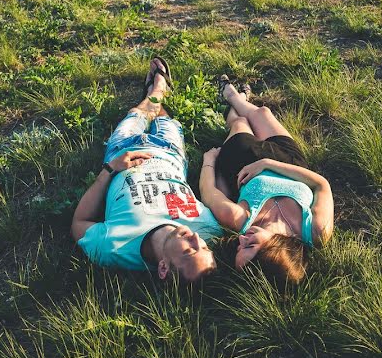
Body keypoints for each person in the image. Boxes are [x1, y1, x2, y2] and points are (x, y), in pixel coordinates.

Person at [71, 57, 222, 282]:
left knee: (138, 113)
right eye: (203, 247)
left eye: (188, 251)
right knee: (164, 119)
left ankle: (156, 88)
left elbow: (78, 223)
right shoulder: (210, 230)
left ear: (163, 268)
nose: (194, 238)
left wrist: (110, 170)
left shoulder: (114, 247)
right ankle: (157, 91)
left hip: (123, 150)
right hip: (170, 152)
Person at [198, 76, 334, 285]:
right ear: (275, 253)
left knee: (240, 122)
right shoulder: (315, 230)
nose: (241, 239)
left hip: (242, 158)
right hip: (290, 161)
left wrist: (208, 161)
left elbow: (209, 193)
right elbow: (321, 185)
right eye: (249, 246)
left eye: (239, 248)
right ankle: (237, 96)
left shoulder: (242, 220)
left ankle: (231, 97)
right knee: (263, 113)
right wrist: (269, 164)